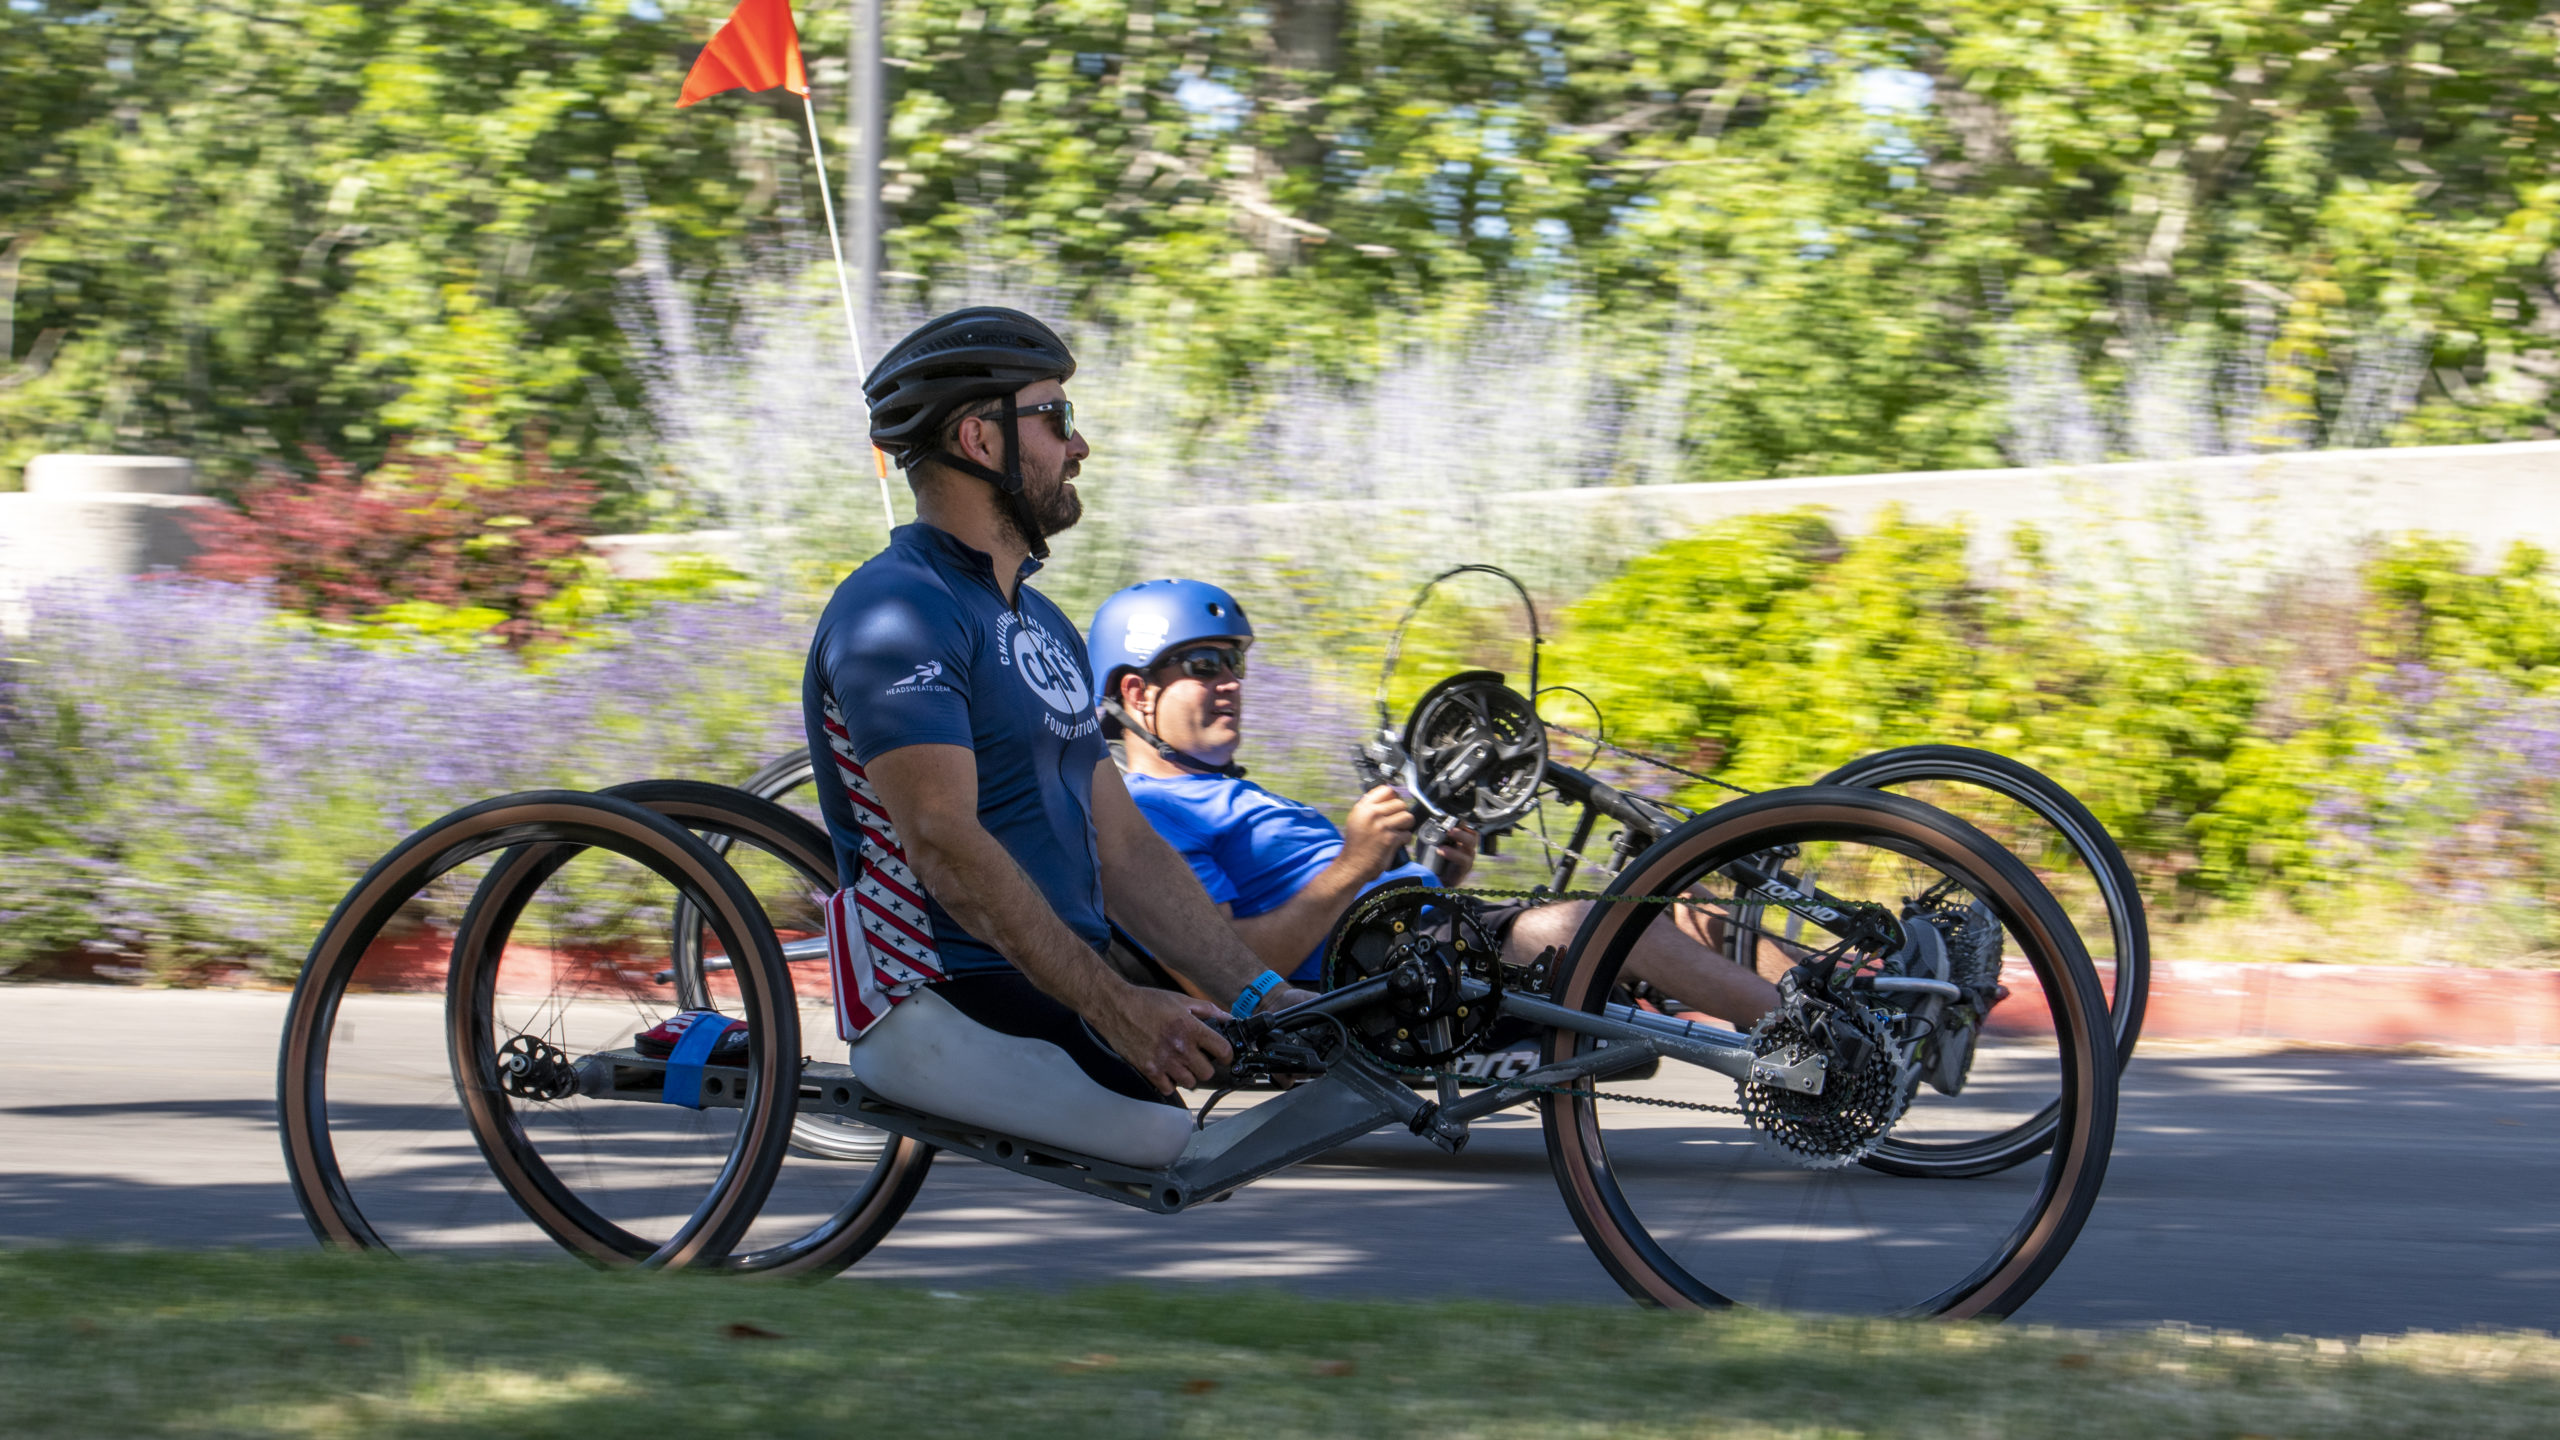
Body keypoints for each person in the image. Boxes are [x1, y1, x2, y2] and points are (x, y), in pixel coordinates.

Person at [798, 309, 1316, 1127]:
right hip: (953, 992)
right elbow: (942, 841)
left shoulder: (1043, 622)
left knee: (1331, 1093)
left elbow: (1124, 846)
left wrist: (1265, 993)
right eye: (1057, 417)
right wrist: (1118, 1007)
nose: (1080, 446)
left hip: (1061, 978)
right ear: (980, 440)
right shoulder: (897, 610)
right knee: (1176, 1146)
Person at [1087, 579, 1783, 1030]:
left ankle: (1862, 1017)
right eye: (1205, 666)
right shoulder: (1151, 813)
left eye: (1234, 663)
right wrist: (1357, 861)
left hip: (1417, 938)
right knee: (1601, 923)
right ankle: (1825, 1051)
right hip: (1382, 975)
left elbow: (1338, 896)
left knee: (1698, 915)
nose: (1232, 682)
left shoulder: (1238, 794)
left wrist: (1429, 874)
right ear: (1137, 695)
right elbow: (1226, 964)